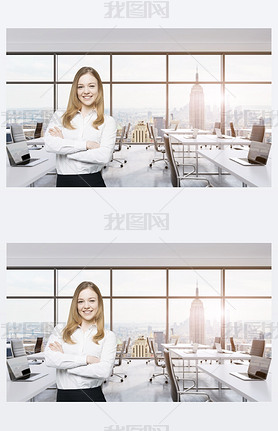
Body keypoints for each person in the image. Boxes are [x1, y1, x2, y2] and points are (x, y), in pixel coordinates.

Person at [44, 67, 117, 187]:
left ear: (99, 89)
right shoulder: (59, 116)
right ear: (75, 90)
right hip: (64, 183)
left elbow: (104, 156)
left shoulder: (108, 121)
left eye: (91, 86)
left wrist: (65, 149)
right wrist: (86, 145)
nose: (86, 91)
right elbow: (50, 144)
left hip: (93, 182)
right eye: (80, 86)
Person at [45, 281, 117, 402]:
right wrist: (86, 360)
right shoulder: (60, 331)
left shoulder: (108, 336)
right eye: (81, 301)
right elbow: (50, 359)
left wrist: (65, 363)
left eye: (92, 300)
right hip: (64, 397)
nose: (86, 306)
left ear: (99, 304)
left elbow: (104, 371)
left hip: (93, 396)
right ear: (76, 305)